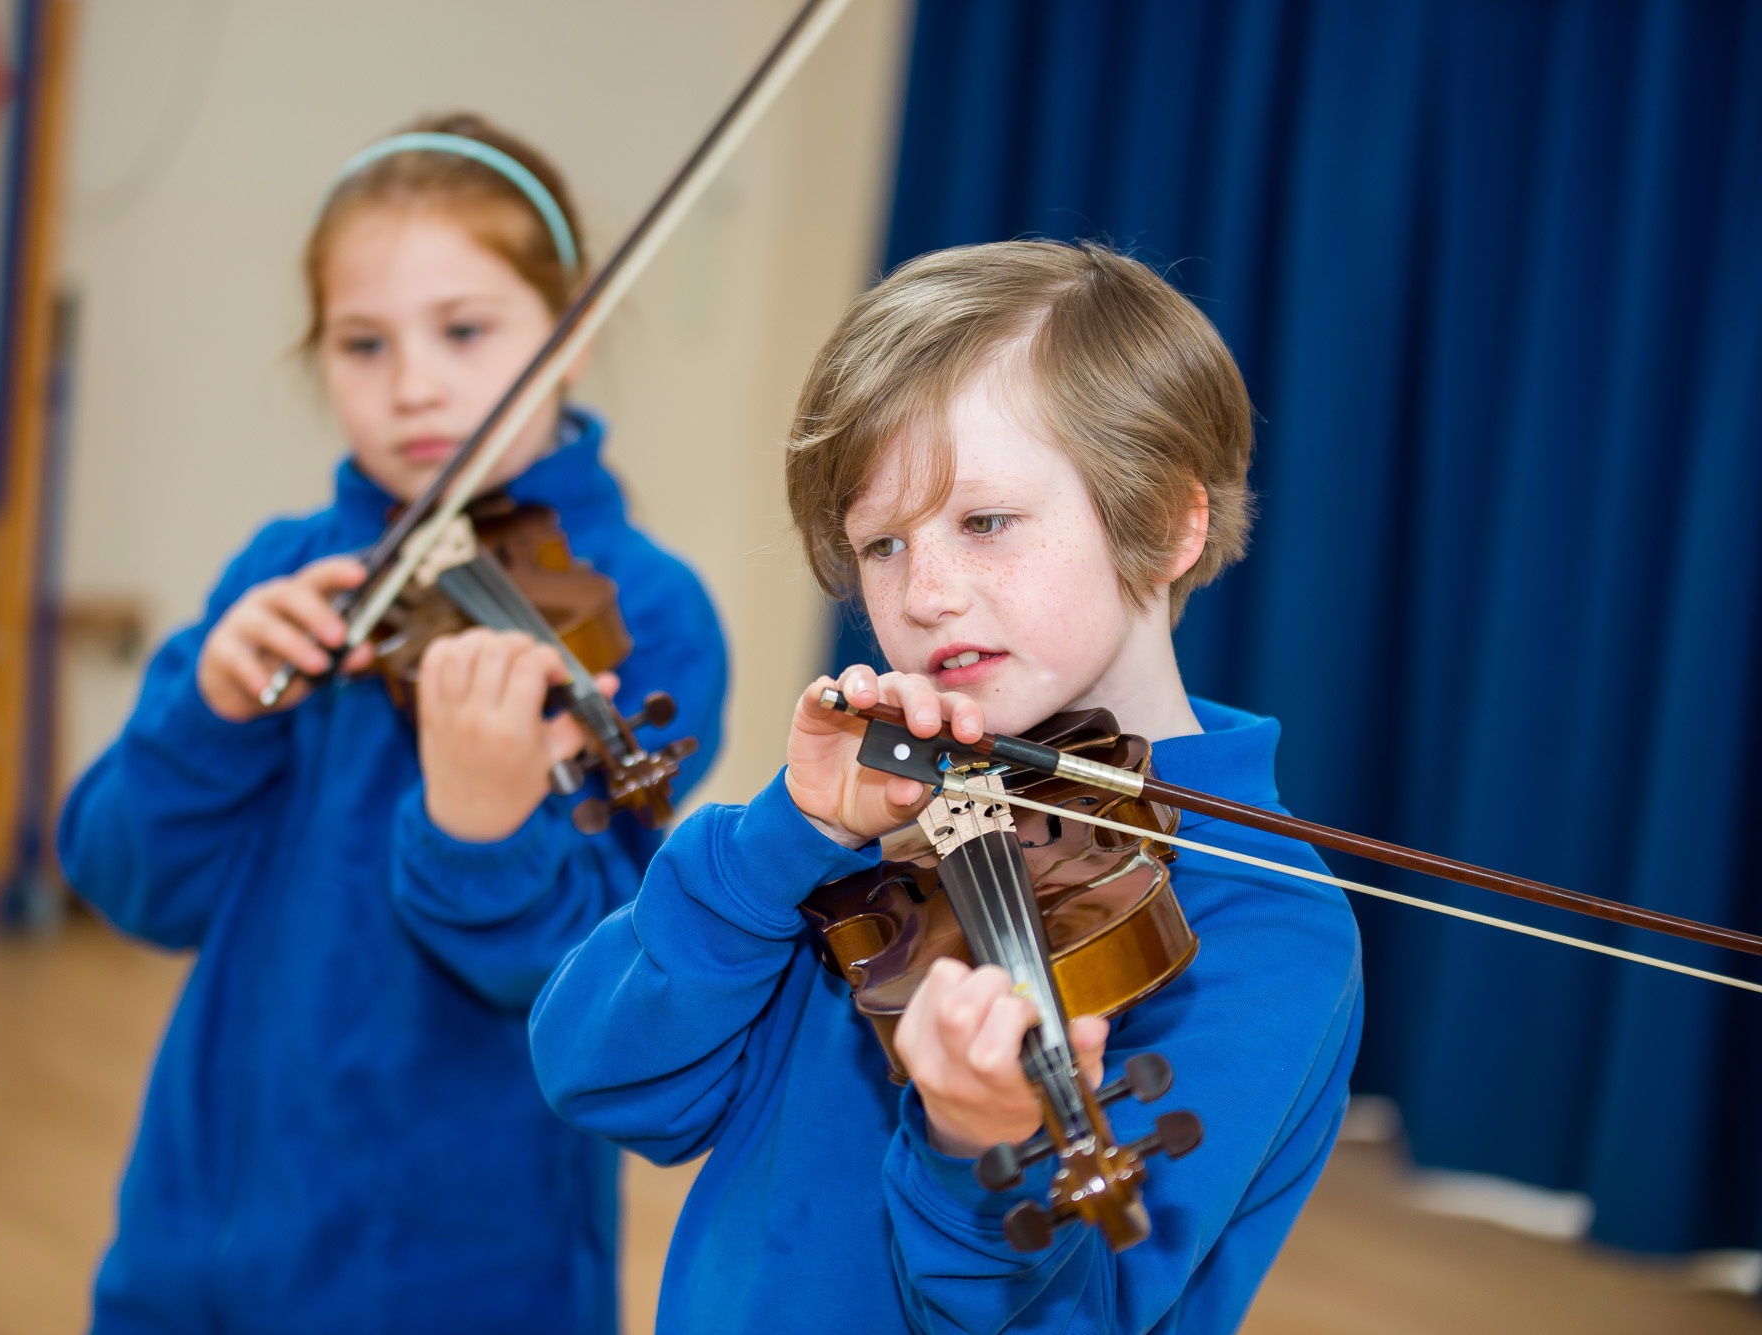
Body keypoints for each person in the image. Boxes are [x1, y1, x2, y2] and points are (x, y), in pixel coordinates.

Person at [530, 240, 1363, 1334]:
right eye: (880, 544)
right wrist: (785, 833)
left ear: (1165, 522)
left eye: (983, 522)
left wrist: (980, 1153)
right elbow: (606, 1080)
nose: (921, 595)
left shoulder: (1262, 924)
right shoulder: (880, 816)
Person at [59, 112, 727, 1334]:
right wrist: (208, 712)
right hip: (192, 1243)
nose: (413, 384)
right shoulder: (289, 575)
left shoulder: (641, 618)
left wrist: (484, 826)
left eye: (465, 332)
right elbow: (125, 880)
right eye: (362, 343)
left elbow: (589, 977)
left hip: (462, 1270)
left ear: (568, 332)